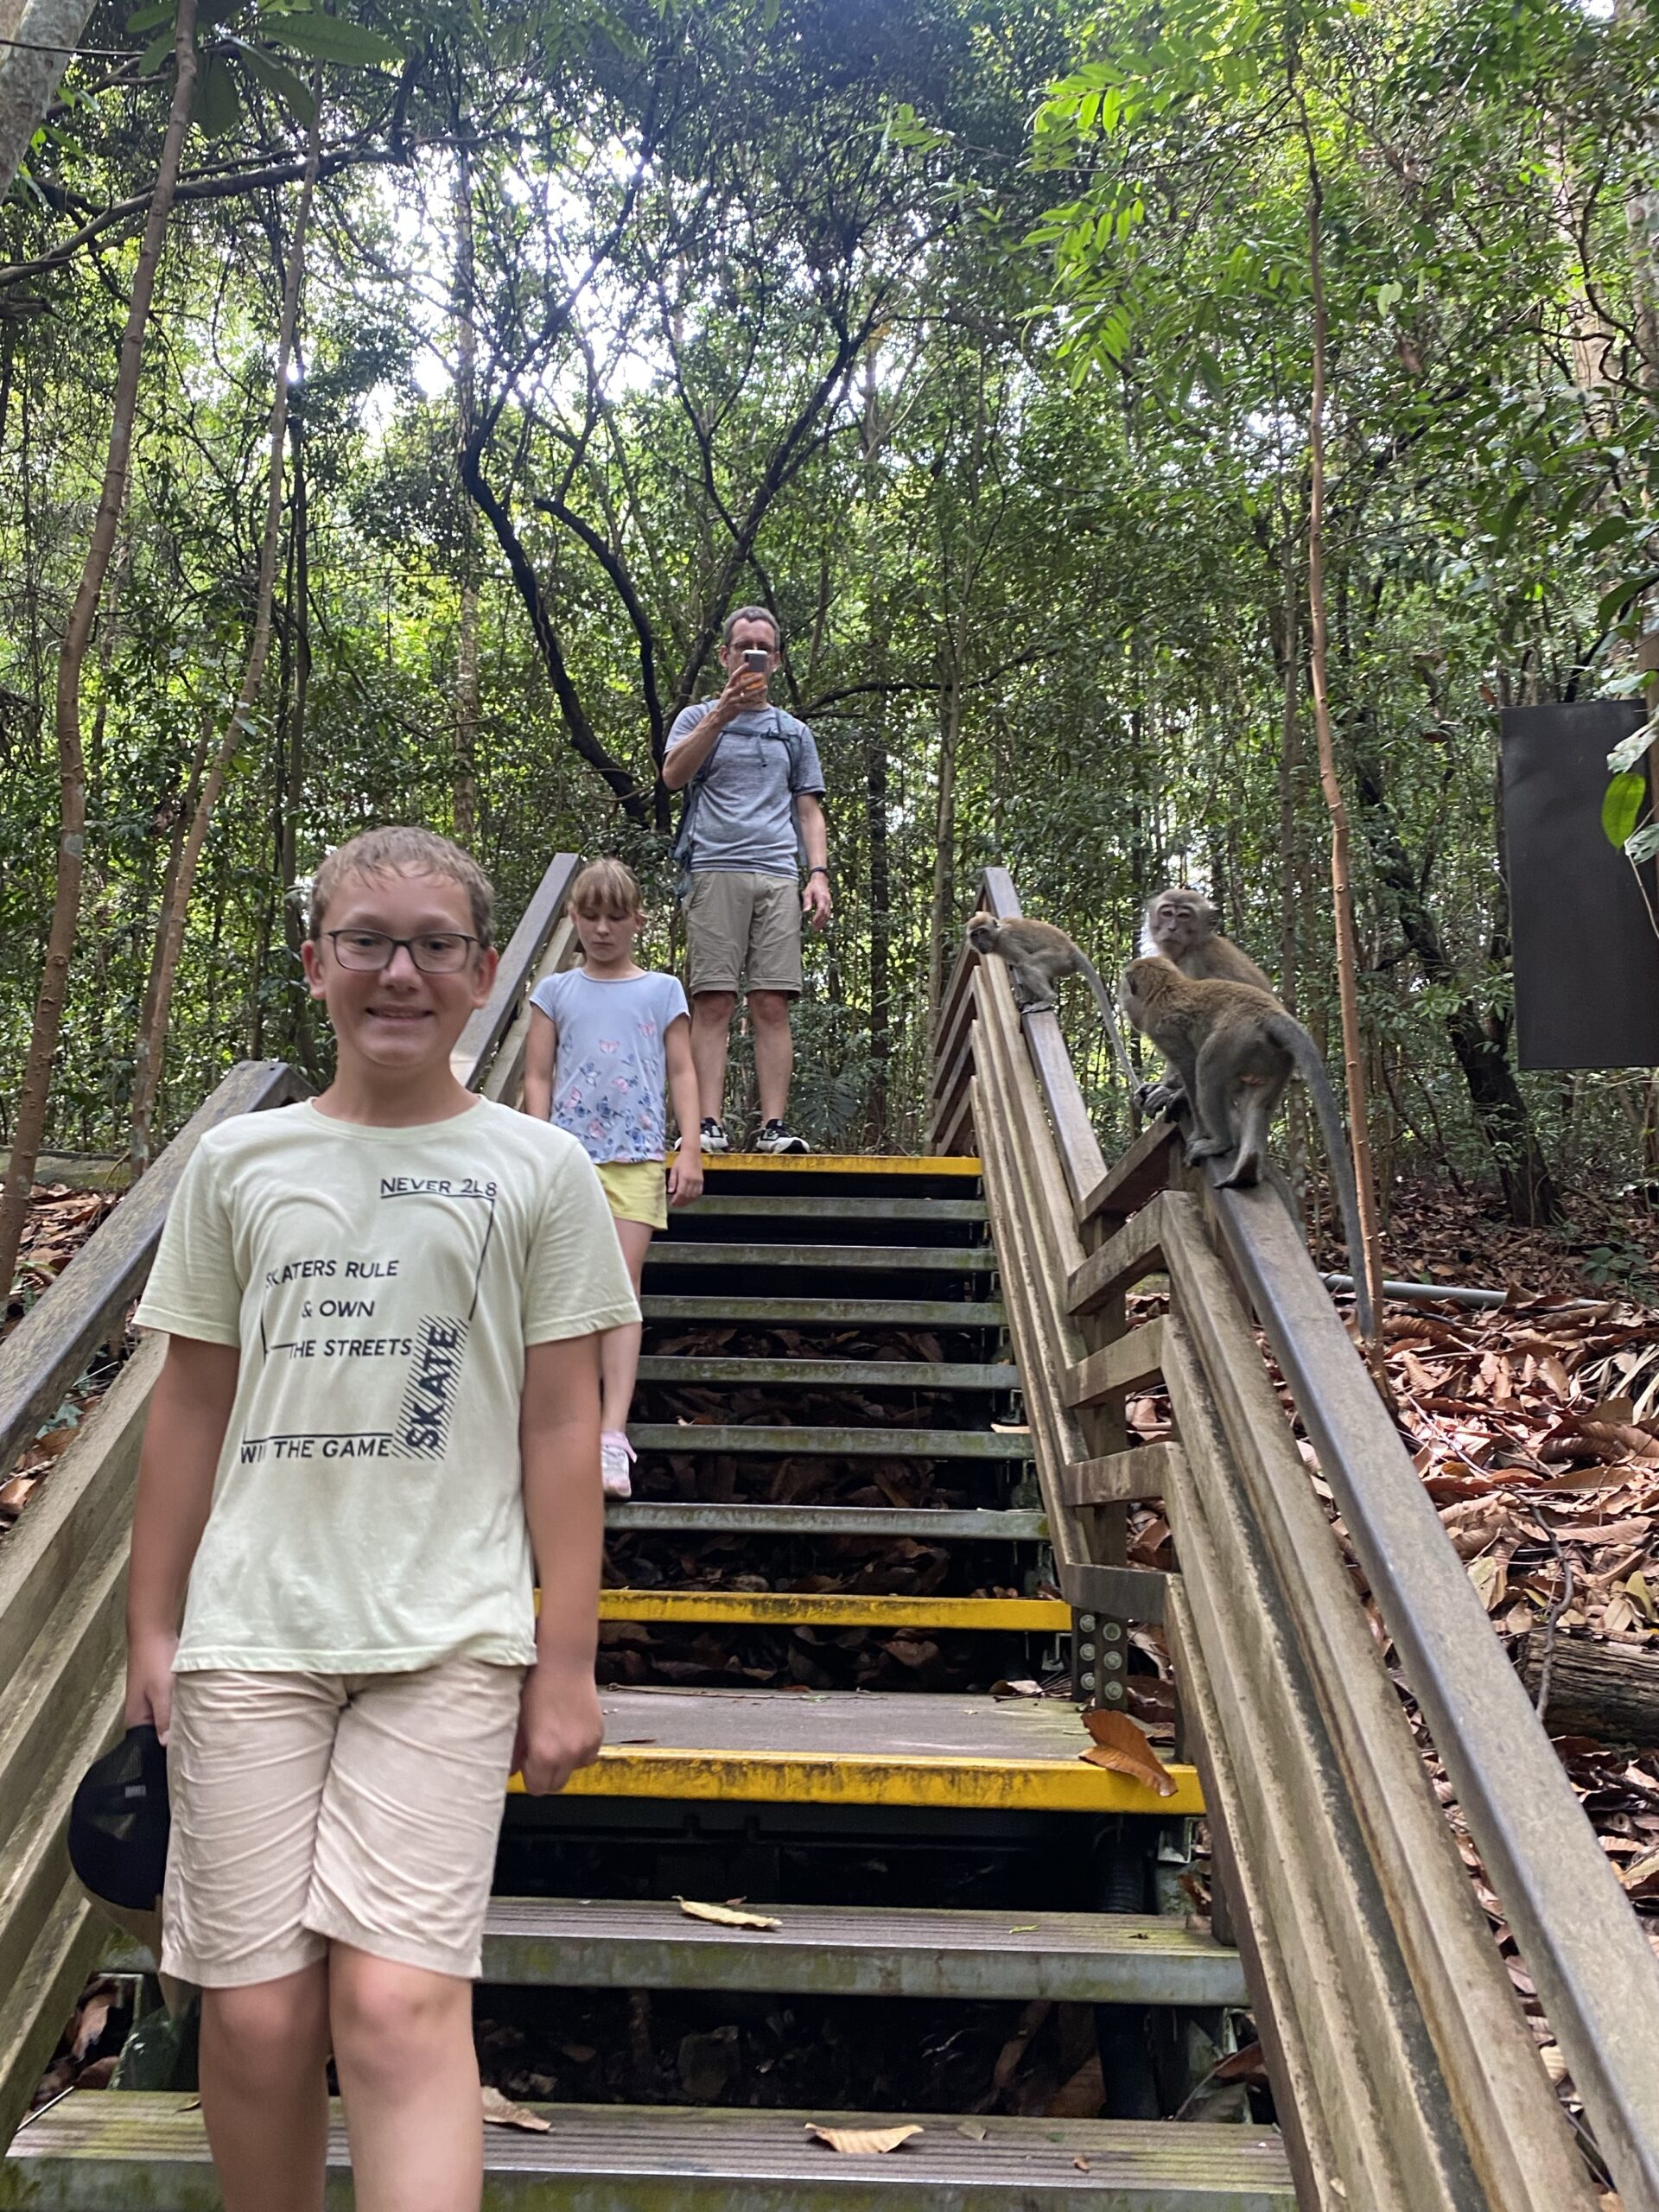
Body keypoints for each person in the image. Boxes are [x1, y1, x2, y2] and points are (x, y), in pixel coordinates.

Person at [123, 825, 639, 2212]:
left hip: (449, 1633)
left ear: (483, 974)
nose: (398, 973)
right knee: (255, 2016)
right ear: (315, 965)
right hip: (251, 1633)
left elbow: (560, 1424)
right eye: (366, 942)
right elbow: (190, 1405)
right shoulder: (239, 1162)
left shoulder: (539, 1168)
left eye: (433, 946)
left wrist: (568, 1662)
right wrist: (151, 1630)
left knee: (399, 2007)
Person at [521, 856, 703, 1500]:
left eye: (615, 917)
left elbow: (682, 1070)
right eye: (591, 916)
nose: (602, 929)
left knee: (621, 1288)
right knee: (566, 1290)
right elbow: (537, 1075)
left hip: (637, 1157)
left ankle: (611, 1434)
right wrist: (539, 1151)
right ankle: (560, 1425)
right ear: (573, 918)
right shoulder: (555, 992)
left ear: (637, 921)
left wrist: (689, 1148)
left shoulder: (662, 990)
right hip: (569, 1161)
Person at [663, 605, 831, 1155]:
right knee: (712, 1000)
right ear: (725, 655)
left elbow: (808, 811)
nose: (753, 655)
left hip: (778, 874)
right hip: (714, 868)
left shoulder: (794, 733)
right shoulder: (696, 718)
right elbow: (672, 776)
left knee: (772, 1002)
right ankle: (706, 1125)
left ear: (776, 660)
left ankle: (773, 1127)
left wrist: (818, 874)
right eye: (743, 647)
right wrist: (721, 715)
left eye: (763, 648)